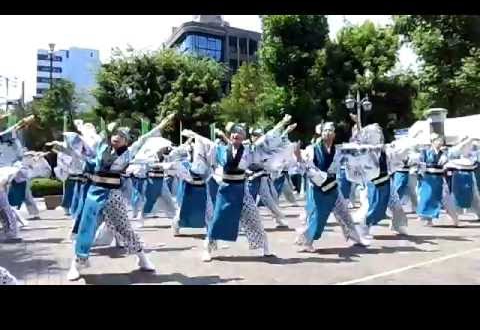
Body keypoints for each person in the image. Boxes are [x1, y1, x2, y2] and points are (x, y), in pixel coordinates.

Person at [50, 114, 175, 281]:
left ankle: (142, 258)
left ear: (126, 141)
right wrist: (60, 148)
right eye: (115, 135)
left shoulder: (129, 152)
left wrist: (162, 124)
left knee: (124, 227)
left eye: (122, 137)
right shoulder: (101, 148)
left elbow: (145, 138)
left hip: (114, 194)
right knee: (87, 227)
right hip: (95, 192)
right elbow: (81, 154)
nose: (117, 138)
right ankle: (77, 263)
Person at [183, 115, 293, 261]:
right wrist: (193, 135)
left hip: (242, 189)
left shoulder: (249, 150)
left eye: (240, 133)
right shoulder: (221, 150)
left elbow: (266, 138)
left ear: (243, 137)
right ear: (230, 136)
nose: (236, 135)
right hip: (225, 189)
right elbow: (206, 143)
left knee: (254, 217)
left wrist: (282, 123)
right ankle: (208, 249)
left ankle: (265, 247)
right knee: (217, 219)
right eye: (234, 133)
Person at [293, 122, 370, 252]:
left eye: (330, 131)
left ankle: (356, 238)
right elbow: (304, 166)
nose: (327, 133)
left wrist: (356, 131)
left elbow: (355, 149)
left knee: (345, 215)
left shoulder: (338, 150)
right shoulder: (312, 149)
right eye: (325, 131)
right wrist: (298, 156)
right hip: (318, 188)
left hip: (333, 187)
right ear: (321, 133)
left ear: (334, 134)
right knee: (317, 217)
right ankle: (307, 241)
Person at [416, 133, 459, 226]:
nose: (440, 142)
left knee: (446, 198)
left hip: (439, 178)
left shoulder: (444, 153)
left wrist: (446, 164)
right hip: (428, 179)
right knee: (427, 198)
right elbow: (420, 165)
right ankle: (428, 219)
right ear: (432, 142)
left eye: (441, 141)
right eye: (438, 140)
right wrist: (422, 174)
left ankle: (454, 219)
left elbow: (448, 164)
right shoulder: (425, 152)